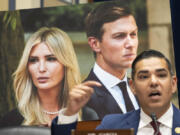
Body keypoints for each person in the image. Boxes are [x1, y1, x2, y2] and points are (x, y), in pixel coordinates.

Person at [51, 49, 180, 135]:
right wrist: (70, 113)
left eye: (161, 75)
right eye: (144, 77)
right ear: (132, 86)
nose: (153, 82)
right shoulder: (112, 125)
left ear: (173, 84)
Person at [0, 27, 100, 127]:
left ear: (66, 65)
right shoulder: (11, 121)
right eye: (33, 60)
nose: (41, 68)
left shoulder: (87, 117)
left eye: (51, 59)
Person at [82, 1, 139, 120]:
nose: (131, 44)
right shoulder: (82, 100)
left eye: (133, 34)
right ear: (95, 44)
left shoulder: (141, 89)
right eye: (119, 36)